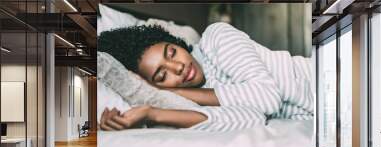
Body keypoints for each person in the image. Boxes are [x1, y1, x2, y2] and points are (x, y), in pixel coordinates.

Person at [98, 22, 314, 132]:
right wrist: (151, 113)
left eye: (171, 52)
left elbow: (267, 97)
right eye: (163, 75)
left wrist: (173, 89)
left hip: (325, 78)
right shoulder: (193, 99)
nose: (178, 67)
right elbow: (252, 118)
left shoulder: (216, 37)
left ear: (175, 41)